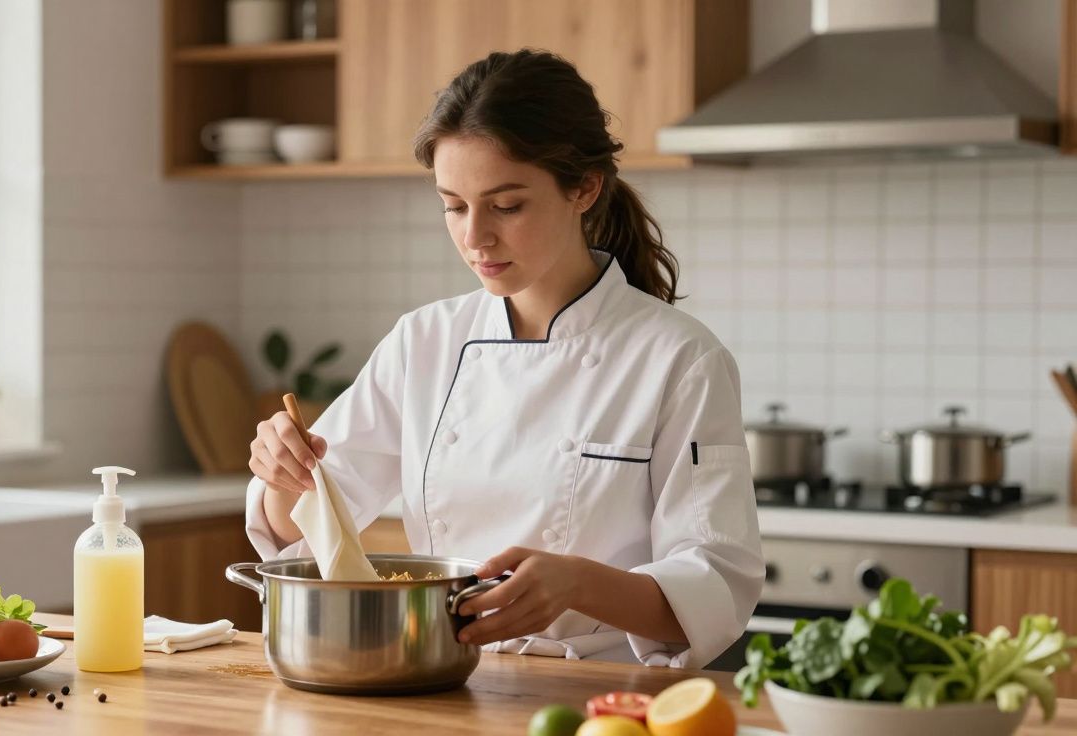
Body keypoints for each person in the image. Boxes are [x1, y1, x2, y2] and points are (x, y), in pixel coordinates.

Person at [244, 49, 763, 667]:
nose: (475, 238)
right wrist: (284, 473)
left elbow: (715, 587)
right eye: (453, 206)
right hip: (443, 678)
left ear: (585, 188)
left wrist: (579, 584)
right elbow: (301, 526)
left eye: (507, 205)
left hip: (597, 700)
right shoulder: (424, 343)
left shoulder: (680, 359)